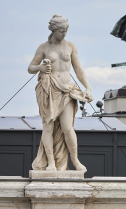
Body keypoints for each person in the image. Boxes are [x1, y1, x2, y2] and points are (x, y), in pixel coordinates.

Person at [27, 15, 92, 171]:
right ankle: (50, 162)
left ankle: (75, 160)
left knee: (67, 127)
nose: (64, 33)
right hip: (49, 90)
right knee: (48, 127)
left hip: (67, 90)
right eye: (61, 30)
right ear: (53, 30)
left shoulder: (70, 46)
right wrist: (39, 68)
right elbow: (30, 68)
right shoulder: (44, 47)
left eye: (66, 30)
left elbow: (78, 69)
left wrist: (87, 87)